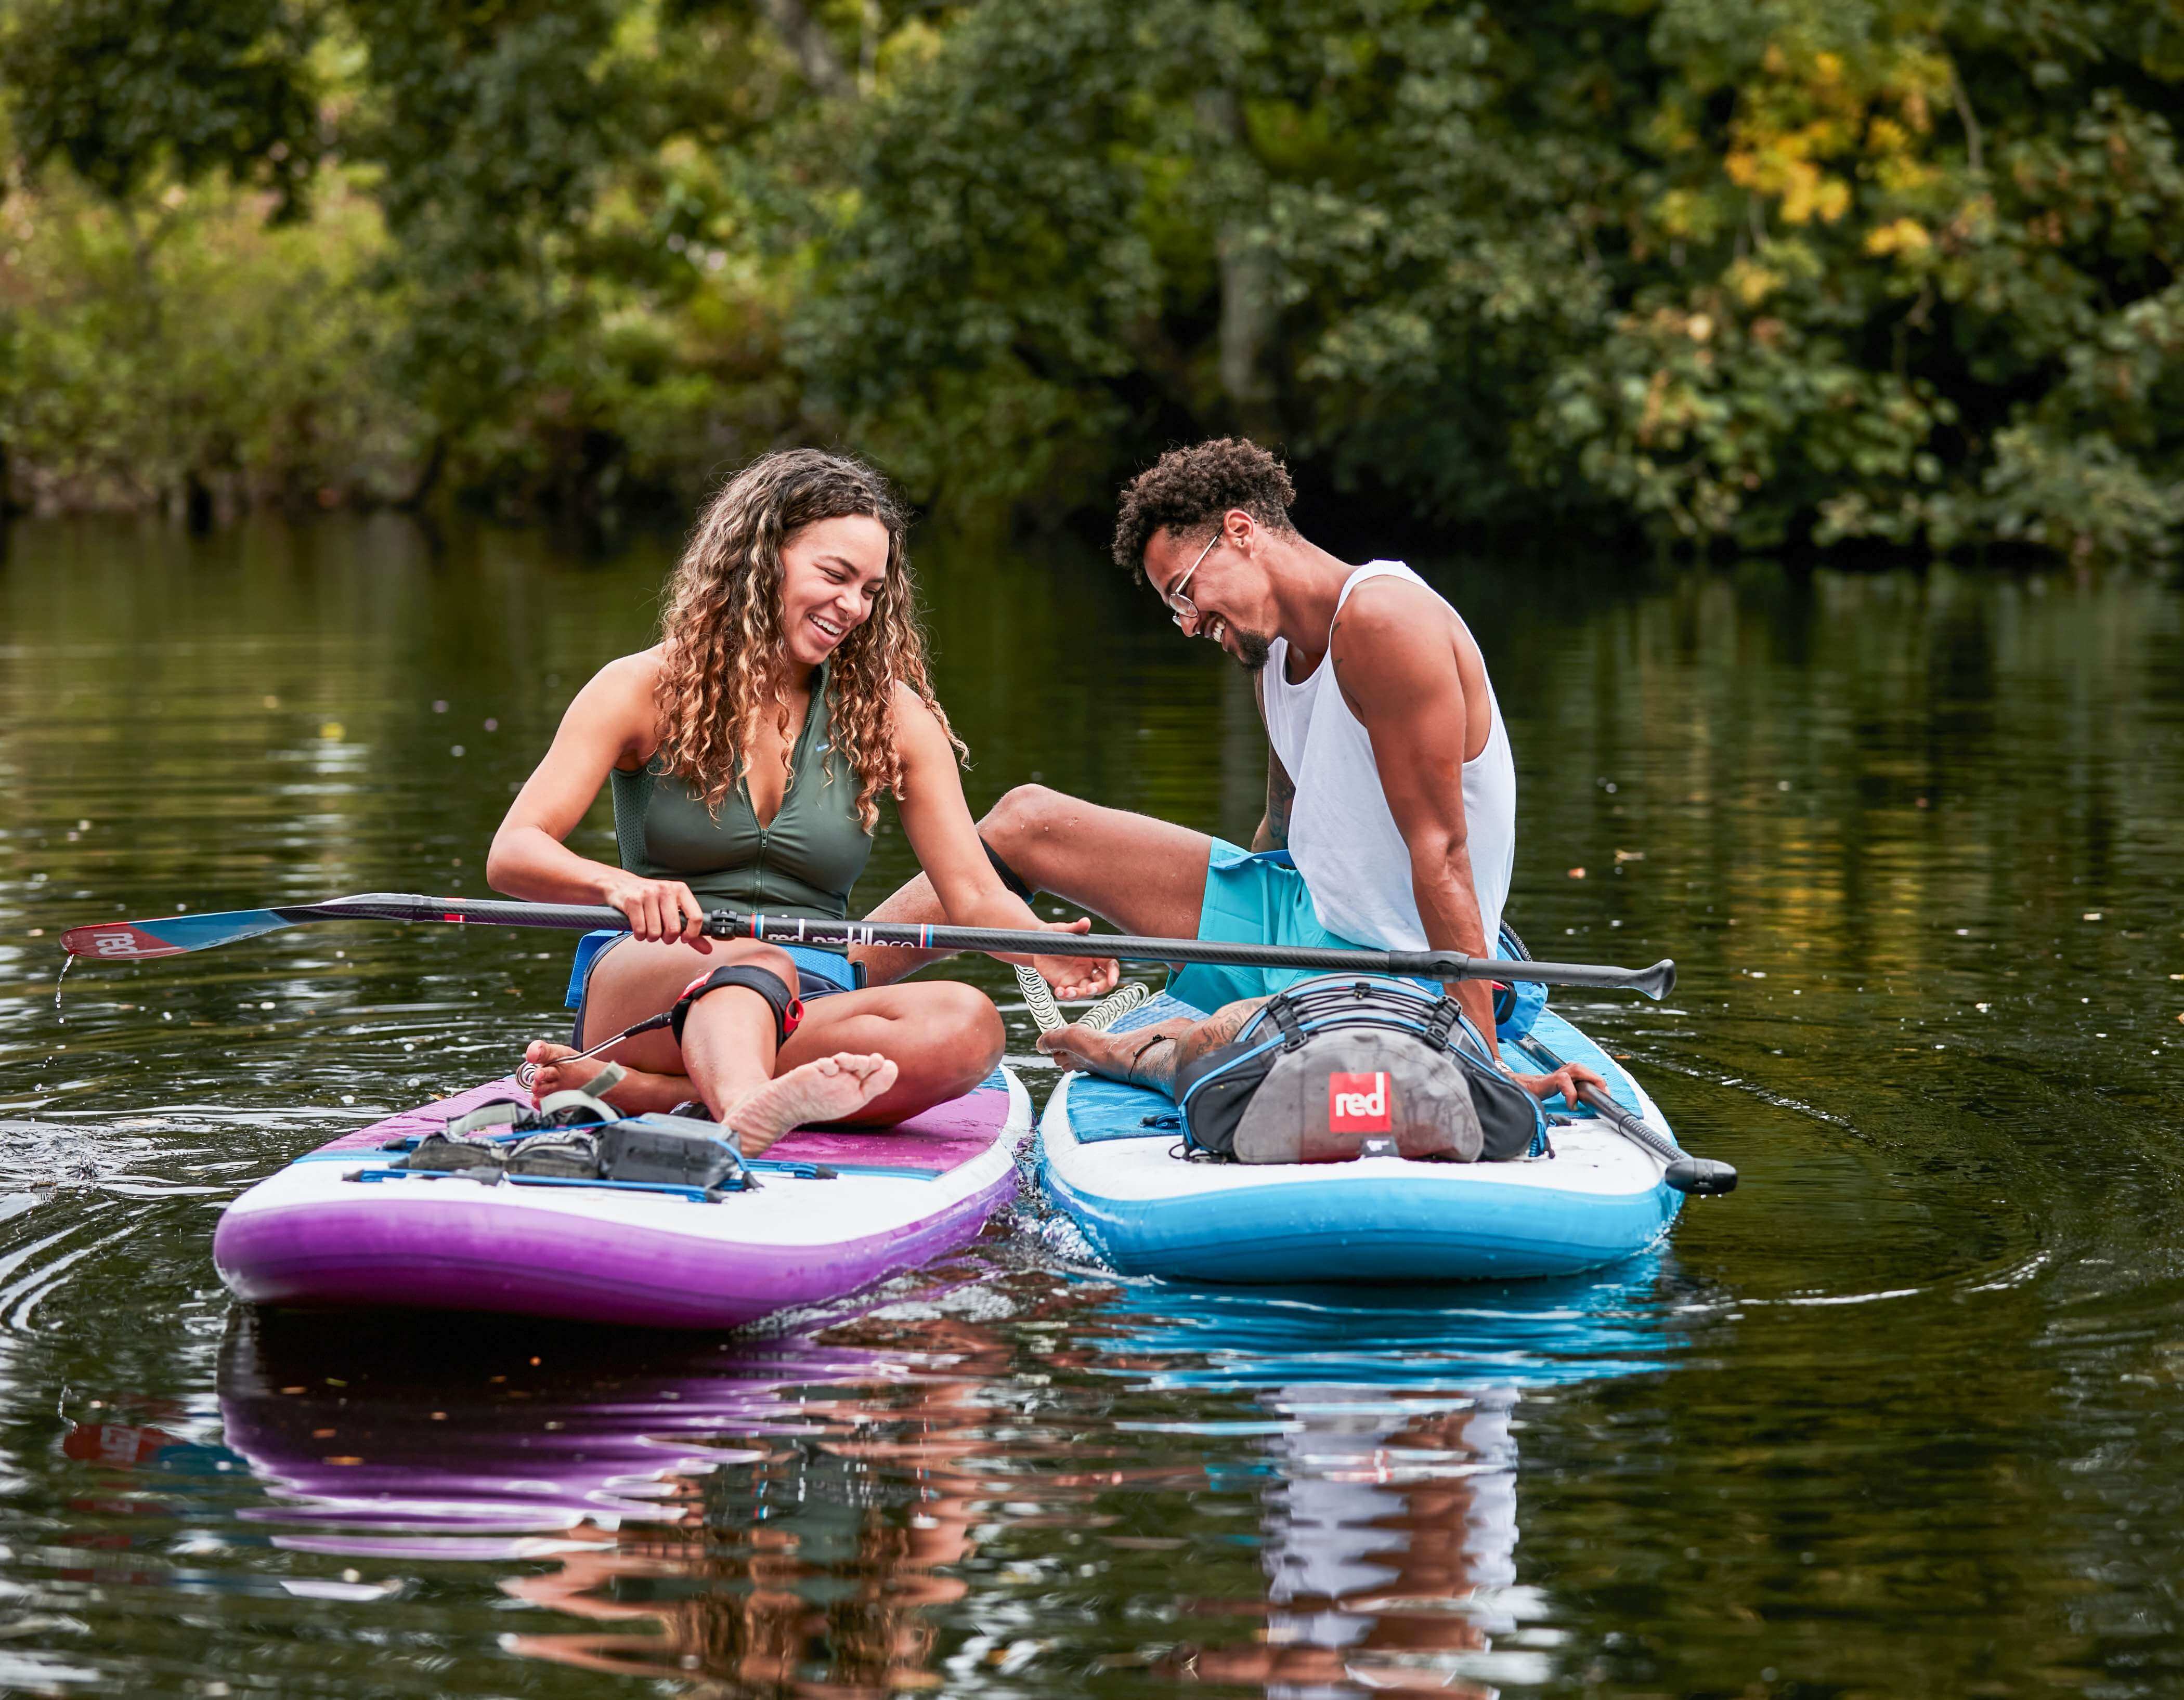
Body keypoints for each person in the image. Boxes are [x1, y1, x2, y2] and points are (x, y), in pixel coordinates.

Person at [856, 436, 1601, 1107]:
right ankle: (829, 976)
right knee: (1027, 820)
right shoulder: (1273, 653)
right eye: (1172, 608)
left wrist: (1483, 1063)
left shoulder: (1384, 623)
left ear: (1240, 533)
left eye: (1183, 592)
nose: (1185, 622)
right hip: (1295, 916)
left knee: (1223, 1043)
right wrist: (1215, 946)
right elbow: (1281, 830)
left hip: (1396, 968)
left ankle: (1141, 1052)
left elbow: (1441, 852)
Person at [487, 449, 1115, 1156]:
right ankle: (745, 1109)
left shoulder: (892, 717)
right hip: (653, 981)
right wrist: (619, 884)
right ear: (762, 559)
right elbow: (514, 851)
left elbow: (971, 891)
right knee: (757, 961)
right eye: (835, 575)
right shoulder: (639, 688)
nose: (853, 606)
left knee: (970, 1023)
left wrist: (1035, 946)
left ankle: (662, 1092)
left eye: (871, 589)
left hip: (810, 1000)